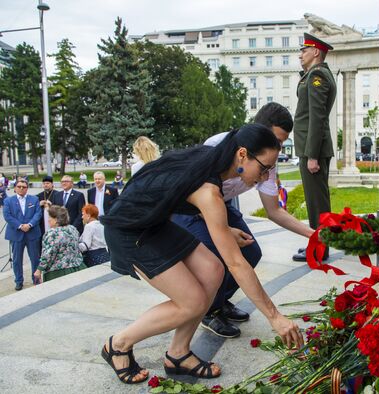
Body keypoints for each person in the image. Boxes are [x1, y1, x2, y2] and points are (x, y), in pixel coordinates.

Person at [99, 124, 303, 385]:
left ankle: (178, 354)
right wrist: (275, 317)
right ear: (242, 154)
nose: (265, 177)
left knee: (213, 269)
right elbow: (237, 264)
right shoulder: (209, 189)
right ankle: (118, 344)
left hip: (153, 223)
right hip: (129, 231)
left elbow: (177, 196)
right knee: (192, 301)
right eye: (264, 168)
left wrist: (225, 229)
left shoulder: (210, 164)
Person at [172, 102, 314, 338]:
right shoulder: (217, 146)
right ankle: (208, 310)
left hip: (221, 204)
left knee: (251, 252)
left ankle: (219, 301)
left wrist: (314, 234)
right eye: (276, 141)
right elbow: (192, 193)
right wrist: (225, 230)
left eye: (281, 143)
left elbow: (274, 210)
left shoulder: (268, 159)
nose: (278, 148)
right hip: (189, 206)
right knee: (218, 258)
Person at [292, 33, 337, 262]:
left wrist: (312, 155)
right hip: (311, 148)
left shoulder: (317, 75)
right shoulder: (313, 75)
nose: (300, 55)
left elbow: (317, 118)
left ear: (316, 52)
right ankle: (317, 243)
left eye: (304, 50)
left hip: (313, 150)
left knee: (318, 202)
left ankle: (320, 249)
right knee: (316, 200)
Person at [2, 179, 42, 291]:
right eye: (19, 186)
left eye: (24, 187)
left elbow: (38, 214)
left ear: (27, 188)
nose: (21, 188)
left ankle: (36, 279)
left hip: (32, 233)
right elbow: (7, 216)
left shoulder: (34, 199)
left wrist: (29, 224)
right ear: (15, 188)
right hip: (16, 234)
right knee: (16, 260)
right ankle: (19, 281)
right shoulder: (8, 201)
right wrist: (20, 226)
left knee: (35, 258)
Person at [33, 205, 86, 283]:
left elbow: (48, 254)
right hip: (78, 267)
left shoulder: (53, 233)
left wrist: (39, 270)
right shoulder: (72, 229)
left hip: (59, 272)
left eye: (50, 218)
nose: (48, 220)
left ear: (56, 220)